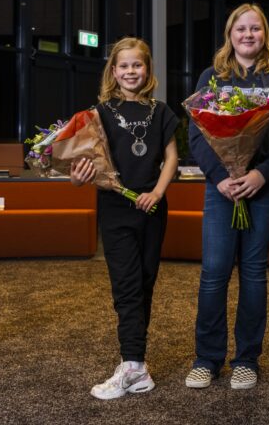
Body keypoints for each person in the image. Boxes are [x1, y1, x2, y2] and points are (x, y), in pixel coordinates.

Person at [185, 4, 269, 390]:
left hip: (264, 190)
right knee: (214, 273)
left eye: (255, 28)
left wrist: (259, 174)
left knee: (253, 272)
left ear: (264, 34)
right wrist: (221, 177)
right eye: (241, 29)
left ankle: (246, 360)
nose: (248, 35)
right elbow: (196, 137)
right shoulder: (212, 78)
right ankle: (207, 358)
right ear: (230, 34)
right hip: (221, 191)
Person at [70, 37, 178, 400]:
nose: (131, 71)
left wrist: (157, 193)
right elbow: (81, 165)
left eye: (137, 65)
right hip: (115, 210)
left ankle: (139, 366)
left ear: (147, 69)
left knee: (145, 284)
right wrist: (77, 176)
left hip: (153, 209)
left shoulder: (161, 111)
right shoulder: (99, 113)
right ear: (113, 71)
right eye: (124, 66)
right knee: (126, 287)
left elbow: (171, 158)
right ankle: (131, 363)